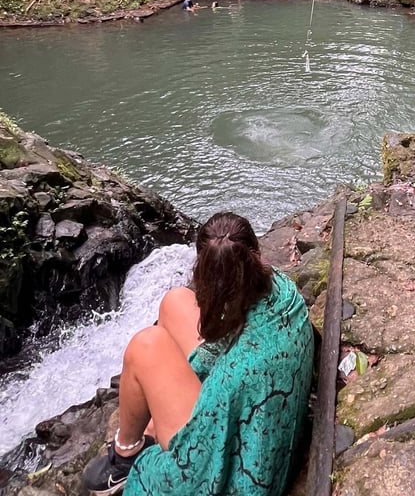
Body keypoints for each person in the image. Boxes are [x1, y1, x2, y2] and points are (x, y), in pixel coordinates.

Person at [81, 212, 314, 496]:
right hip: (256, 384)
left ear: (203, 269)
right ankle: (151, 419)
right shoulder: (280, 287)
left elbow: (196, 474)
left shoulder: (230, 380)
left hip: (230, 451)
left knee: (146, 345)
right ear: (257, 253)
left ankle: (124, 455)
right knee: (174, 301)